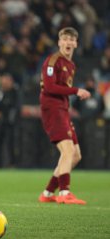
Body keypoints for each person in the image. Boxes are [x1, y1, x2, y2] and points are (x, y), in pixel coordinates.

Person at [38, 27, 91, 205]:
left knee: (75, 155)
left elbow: (62, 89)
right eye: (65, 39)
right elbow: (50, 87)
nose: (68, 42)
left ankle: (47, 193)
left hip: (63, 109)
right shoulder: (53, 61)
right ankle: (64, 192)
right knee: (67, 151)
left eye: (72, 39)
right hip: (52, 108)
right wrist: (76, 91)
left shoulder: (71, 65)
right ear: (59, 42)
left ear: (76, 43)